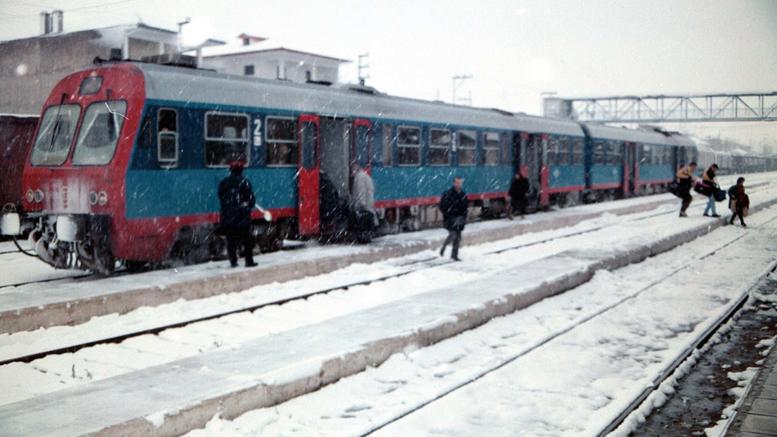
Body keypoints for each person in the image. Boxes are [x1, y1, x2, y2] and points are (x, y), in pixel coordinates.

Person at [218, 161, 257, 267]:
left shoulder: (224, 183)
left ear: (230, 171)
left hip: (228, 217)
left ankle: (233, 261)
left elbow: (221, 197)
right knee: (247, 240)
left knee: (231, 240)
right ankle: (249, 261)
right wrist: (248, 204)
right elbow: (251, 201)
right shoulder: (245, 182)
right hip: (242, 217)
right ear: (241, 171)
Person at [439, 176, 468, 261]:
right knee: (453, 234)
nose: (459, 184)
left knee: (458, 237)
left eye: (460, 183)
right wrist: (449, 215)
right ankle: (444, 247)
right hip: (450, 219)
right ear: (454, 183)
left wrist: (464, 217)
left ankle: (454, 255)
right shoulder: (448, 194)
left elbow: (465, 208)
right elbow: (442, 206)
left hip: (459, 219)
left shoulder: (463, 194)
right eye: (457, 183)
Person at [349, 164, 378, 242]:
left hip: (364, 206)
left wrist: (361, 204)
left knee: (362, 224)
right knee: (368, 224)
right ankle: (366, 237)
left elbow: (361, 192)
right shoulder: (365, 176)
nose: (352, 173)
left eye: (352, 170)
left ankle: (363, 238)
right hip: (369, 205)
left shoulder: (359, 178)